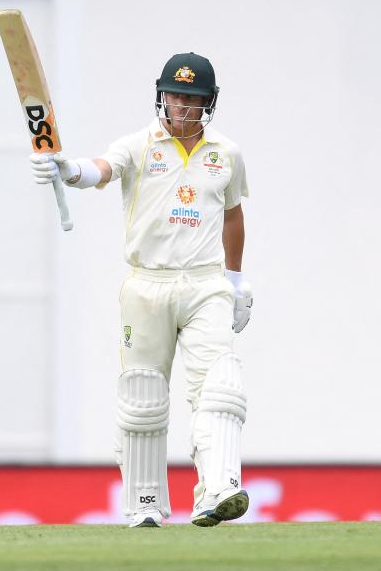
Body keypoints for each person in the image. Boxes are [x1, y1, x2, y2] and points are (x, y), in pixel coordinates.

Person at [30, 52, 252, 528]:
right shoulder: (139, 145)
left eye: (192, 99)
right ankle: (145, 503)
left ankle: (218, 488)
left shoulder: (226, 154)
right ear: (161, 96)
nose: (182, 107)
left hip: (205, 283)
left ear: (207, 103)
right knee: (144, 396)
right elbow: (99, 171)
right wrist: (67, 170)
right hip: (147, 284)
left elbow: (233, 216)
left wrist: (234, 280)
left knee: (219, 386)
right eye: (175, 96)